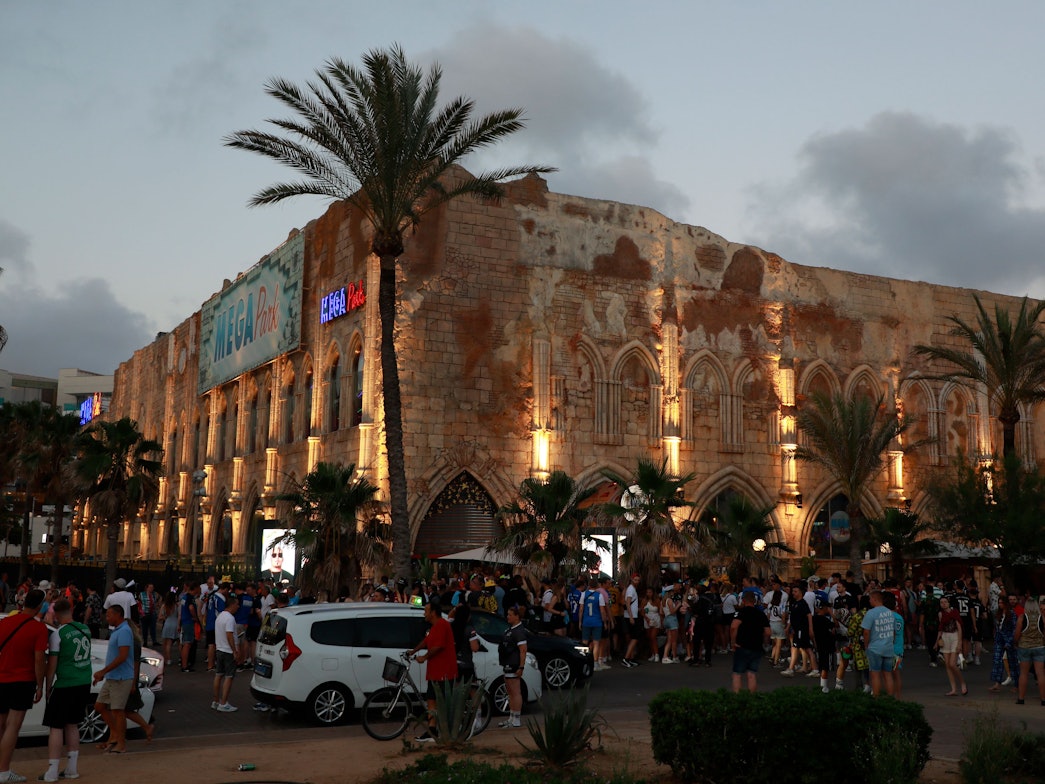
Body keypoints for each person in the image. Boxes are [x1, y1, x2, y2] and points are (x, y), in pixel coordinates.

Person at [39, 599, 91, 782]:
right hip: (83, 682)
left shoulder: (58, 634)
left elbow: (52, 665)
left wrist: (47, 687)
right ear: (71, 610)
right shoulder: (85, 629)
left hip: (65, 684)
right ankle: (71, 768)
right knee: (73, 724)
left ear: (56, 614)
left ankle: (52, 771)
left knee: (56, 727)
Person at [0, 588, 49, 783]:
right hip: (22, 680)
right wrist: (40, 685)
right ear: (40, 606)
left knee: (1, 723)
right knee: (13, 726)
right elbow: (39, 660)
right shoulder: (39, 629)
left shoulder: (5, 622)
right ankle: (3, 771)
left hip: (2, 678)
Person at [406, 600, 457, 742]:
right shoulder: (435, 627)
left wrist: (424, 657)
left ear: (433, 613)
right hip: (434, 671)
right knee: (431, 699)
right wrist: (413, 651)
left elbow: (439, 646)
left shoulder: (442, 625)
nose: (424, 614)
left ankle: (442, 730)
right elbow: (426, 641)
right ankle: (432, 729)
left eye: (426, 611)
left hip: (443, 671)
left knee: (439, 701)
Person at [92, 605, 134, 754]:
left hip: (121, 678)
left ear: (118, 615)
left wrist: (103, 671)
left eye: (109, 615)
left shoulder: (124, 631)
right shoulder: (117, 631)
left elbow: (123, 656)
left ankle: (121, 743)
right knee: (100, 706)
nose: (107, 617)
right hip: (112, 677)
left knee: (117, 711)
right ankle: (115, 734)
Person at [730, 591, 770, 693]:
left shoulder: (741, 613)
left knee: (737, 674)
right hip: (756, 646)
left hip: (742, 645)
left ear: (743, 600)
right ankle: (752, 697)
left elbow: (733, 627)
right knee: (752, 674)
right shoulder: (761, 614)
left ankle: (737, 697)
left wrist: (733, 642)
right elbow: (768, 632)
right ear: (754, 601)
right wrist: (764, 641)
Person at [861, 590, 898, 697]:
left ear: (874, 599)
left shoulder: (870, 613)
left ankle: (876, 698)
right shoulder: (890, 613)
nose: (869, 601)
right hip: (888, 647)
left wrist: (866, 646)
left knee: (875, 675)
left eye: (870, 599)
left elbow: (866, 632)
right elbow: (894, 631)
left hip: (875, 648)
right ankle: (890, 698)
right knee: (888, 674)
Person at [498, 605, 527, 729]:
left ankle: (516, 719)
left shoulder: (519, 631)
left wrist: (521, 667)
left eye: (510, 615)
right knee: (510, 692)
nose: (507, 617)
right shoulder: (510, 629)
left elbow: (523, 650)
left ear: (517, 616)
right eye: (507, 614)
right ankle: (511, 717)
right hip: (507, 663)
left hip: (514, 664)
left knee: (515, 692)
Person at [211, 593, 242, 712]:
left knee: (218, 675)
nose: (238, 607)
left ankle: (216, 701)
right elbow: (229, 634)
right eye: (237, 604)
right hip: (228, 651)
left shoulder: (220, 616)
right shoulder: (230, 618)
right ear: (232, 605)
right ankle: (223, 703)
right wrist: (235, 650)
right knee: (229, 676)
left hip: (219, 648)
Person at [1013, 593, 1045, 706]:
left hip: (1024, 647)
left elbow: (1017, 633)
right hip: (1039, 647)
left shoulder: (1022, 617)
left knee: (1024, 673)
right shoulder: (1042, 618)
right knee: (1040, 673)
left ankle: (1021, 698)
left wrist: (1016, 642)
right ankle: (1043, 699)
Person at [936, 596, 967, 697]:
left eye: (945, 602)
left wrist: (960, 643)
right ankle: (953, 689)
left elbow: (959, 627)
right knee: (947, 665)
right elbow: (940, 628)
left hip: (955, 636)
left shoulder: (954, 612)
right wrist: (937, 641)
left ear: (949, 603)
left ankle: (962, 683)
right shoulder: (940, 614)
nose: (944, 604)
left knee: (952, 664)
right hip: (945, 637)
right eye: (941, 602)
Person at [990, 595, 1019, 692]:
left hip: (1008, 639)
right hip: (999, 639)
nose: (1000, 605)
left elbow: (1014, 629)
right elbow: (997, 627)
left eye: (1002, 603)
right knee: (997, 661)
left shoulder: (1012, 614)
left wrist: (1010, 640)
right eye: (999, 603)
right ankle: (997, 683)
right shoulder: (998, 614)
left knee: (1013, 662)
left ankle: (1017, 684)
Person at [580, 578, 609, 670]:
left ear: (589, 585)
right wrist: (604, 622)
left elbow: (581, 609)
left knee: (584, 642)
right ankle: (595, 663)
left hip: (586, 621)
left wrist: (580, 621)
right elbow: (602, 611)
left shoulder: (583, 594)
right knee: (596, 643)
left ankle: (583, 662)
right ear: (596, 585)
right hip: (597, 622)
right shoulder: (599, 596)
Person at [178, 581, 200, 672]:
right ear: (195, 588)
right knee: (188, 644)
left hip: (184, 621)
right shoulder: (190, 598)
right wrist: (195, 617)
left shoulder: (184, 597)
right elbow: (191, 608)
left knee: (185, 644)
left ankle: (184, 663)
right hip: (189, 622)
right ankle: (185, 665)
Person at [621, 574, 642, 668]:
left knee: (634, 637)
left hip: (633, 615)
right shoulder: (630, 589)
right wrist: (631, 617)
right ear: (632, 579)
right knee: (635, 637)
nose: (637, 581)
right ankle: (626, 658)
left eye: (638, 580)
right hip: (631, 616)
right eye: (635, 580)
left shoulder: (632, 589)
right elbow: (627, 603)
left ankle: (630, 658)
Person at [159, 591, 178, 666]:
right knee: (179, 642)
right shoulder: (177, 605)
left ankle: (168, 659)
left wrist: (165, 617)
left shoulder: (164, 606)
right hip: (176, 623)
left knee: (167, 643)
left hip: (168, 623)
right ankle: (181, 658)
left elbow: (160, 617)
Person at [137, 582, 160, 648]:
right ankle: (145, 642)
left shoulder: (154, 594)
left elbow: (159, 599)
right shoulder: (142, 594)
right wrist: (141, 611)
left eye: (152, 587)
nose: (151, 589)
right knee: (144, 628)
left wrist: (157, 605)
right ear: (147, 588)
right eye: (150, 587)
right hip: (144, 613)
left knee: (153, 628)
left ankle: (154, 641)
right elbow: (139, 603)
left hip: (152, 613)